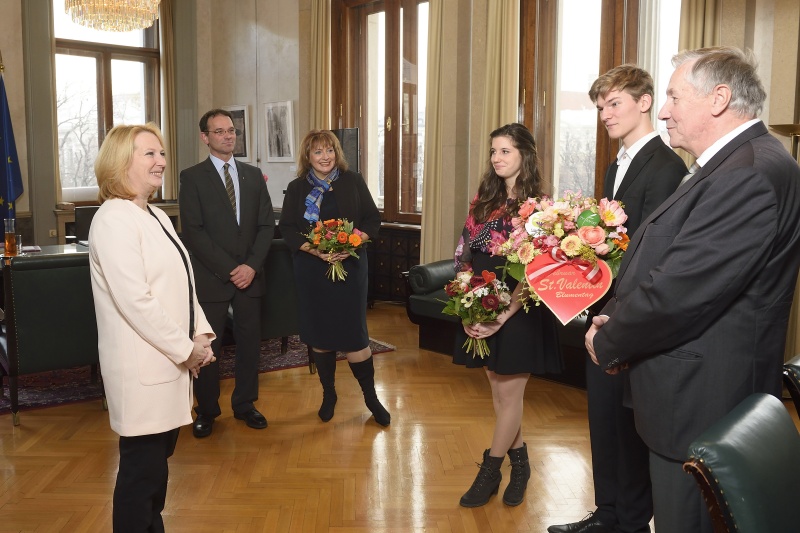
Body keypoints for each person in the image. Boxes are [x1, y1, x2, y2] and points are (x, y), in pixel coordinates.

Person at [586, 46, 800, 533]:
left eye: (674, 97)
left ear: (719, 99)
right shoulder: (734, 163)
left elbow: (679, 293)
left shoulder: (746, 173)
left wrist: (609, 339)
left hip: (701, 401)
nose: (663, 110)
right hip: (695, 391)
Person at [549, 66, 685, 533]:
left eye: (614, 103)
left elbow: (654, 256)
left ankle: (628, 521)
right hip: (601, 312)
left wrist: (612, 315)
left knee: (626, 430)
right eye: (601, 107)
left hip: (626, 320)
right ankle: (606, 514)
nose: (605, 114)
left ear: (645, 102)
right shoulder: (615, 165)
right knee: (602, 421)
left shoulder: (667, 167)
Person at [88, 123, 216, 531]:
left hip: (171, 362)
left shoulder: (156, 214)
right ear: (120, 162)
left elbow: (185, 280)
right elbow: (137, 303)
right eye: (150, 154)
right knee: (139, 481)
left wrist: (200, 334)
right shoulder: (112, 220)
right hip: (143, 371)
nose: (161, 161)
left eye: (161, 153)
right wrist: (186, 349)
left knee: (155, 478)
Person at [453, 123, 562, 508]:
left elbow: (539, 270)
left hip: (521, 308)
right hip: (483, 302)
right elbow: (463, 254)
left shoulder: (542, 207)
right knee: (499, 395)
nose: (497, 158)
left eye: (505, 152)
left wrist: (505, 312)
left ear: (524, 156)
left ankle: (489, 471)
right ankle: (522, 465)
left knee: (510, 394)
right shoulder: (484, 198)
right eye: (494, 152)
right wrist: (468, 304)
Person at [278, 129, 389, 426]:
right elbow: (287, 229)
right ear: (307, 156)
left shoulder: (353, 181)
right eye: (317, 152)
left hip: (350, 271)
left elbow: (372, 220)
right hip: (312, 273)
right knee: (321, 336)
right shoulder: (296, 187)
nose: (324, 157)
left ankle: (371, 398)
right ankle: (329, 394)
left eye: (329, 150)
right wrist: (317, 251)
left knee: (355, 337)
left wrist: (352, 242)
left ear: (337, 153)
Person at [179, 109, 275, 437]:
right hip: (212, 278)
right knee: (208, 349)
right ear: (205, 137)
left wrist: (251, 266)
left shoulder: (252, 175)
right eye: (219, 131)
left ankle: (245, 404)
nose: (228, 136)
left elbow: (266, 227)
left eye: (231, 131)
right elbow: (193, 232)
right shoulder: (192, 178)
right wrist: (230, 269)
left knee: (250, 345)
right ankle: (206, 410)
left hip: (252, 276)